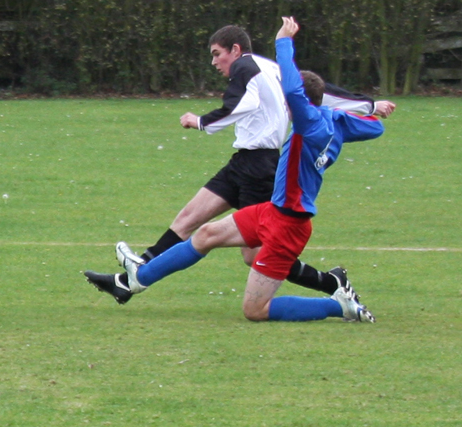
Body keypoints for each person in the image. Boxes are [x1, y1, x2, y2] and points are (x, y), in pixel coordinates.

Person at [85, 23, 395, 305]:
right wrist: (368, 105)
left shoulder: (245, 66)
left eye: (217, 54)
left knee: (254, 254)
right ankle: (129, 281)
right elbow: (318, 90)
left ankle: (331, 283)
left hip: (260, 168)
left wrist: (202, 121)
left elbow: (253, 103)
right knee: (189, 217)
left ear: (235, 50)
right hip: (243, 161)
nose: (214, 61)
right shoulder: (269, 67)